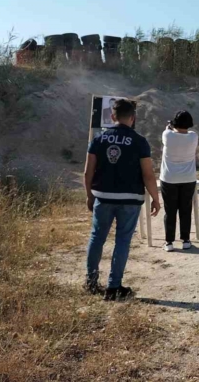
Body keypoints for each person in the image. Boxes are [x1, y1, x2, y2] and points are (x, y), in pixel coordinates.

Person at [84, 99, 160, 301]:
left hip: (103, 196)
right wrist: (156, 198)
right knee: (123, 241)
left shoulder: (99, 139)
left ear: (112, 116)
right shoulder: (140, 141)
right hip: (130, 198)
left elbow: (87, 171)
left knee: (97, 237)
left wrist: (89, 195)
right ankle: (113, 287)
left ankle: (91, 281)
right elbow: (148, 175)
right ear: (133, 118)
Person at [160, 111, 199, 252]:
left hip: (169, 178)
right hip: (188, 178)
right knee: (185, 210)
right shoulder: (193, 136)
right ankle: (186, 240)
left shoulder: (167, 135)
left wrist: (169, 126)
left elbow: (168, 131)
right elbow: (186, 132)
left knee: (169, 211)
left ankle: (169, 242)